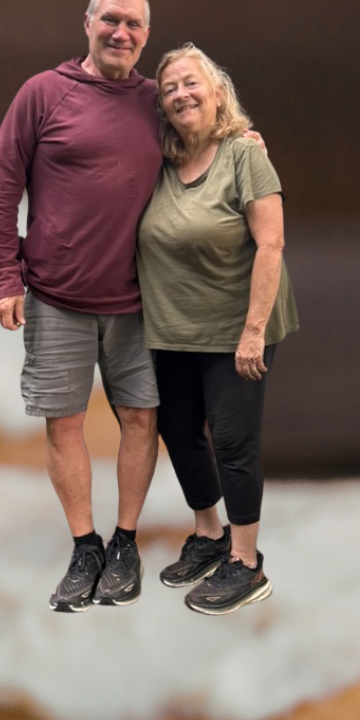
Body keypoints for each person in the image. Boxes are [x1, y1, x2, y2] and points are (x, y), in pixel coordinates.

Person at [0, 0, 164, 612]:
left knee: (142, 418)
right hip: (56, 295)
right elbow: (3, 185)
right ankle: (85, 544)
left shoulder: (156, 102)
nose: (121, 32)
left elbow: (206, 147)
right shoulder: (43, 94)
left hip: (141, 301)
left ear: (146, 33)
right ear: (87, 24)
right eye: (110, 19)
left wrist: (246, 145)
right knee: (65, 423)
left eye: (133, 23)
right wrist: (2, 277)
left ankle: (125, 541)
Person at [137, 44, 296, 615]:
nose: (180, 93)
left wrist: (253, 330)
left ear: (218, 91)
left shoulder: (243, 156)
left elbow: (271, 243)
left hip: (236, 326)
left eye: (190, 82)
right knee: (177, 430)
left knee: (232, 439)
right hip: (172, 327)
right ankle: (210, 535)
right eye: (169, 88)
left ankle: (247, 563)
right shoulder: (156, 163)